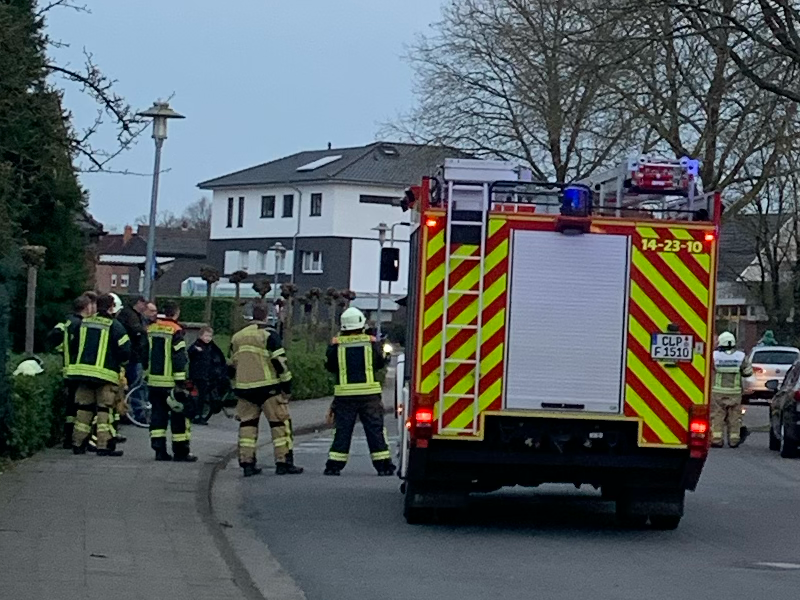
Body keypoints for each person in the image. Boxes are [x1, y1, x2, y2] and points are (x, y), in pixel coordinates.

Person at [230, 303, 302, 477]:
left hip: (244, 388)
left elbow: (231, 365)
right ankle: (283, 462)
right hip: (268, 388)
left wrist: (235, 385)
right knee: (279, 424)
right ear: (265, 316)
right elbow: (280, 362)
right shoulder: (269, 335)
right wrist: (287, 386)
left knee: (247, 425)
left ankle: (247, 464)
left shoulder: (237, 337)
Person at [324, 307, 395, 476]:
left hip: (344, 397)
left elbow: (330, 366)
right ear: (361, 324)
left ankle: (334, 466)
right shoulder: (371, 343)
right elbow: (380, 363)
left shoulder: (336, 345)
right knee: (375, 430)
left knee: (342, 431)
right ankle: (383, 466)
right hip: (369, 397)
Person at [68, 293, 131, 457]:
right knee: (104, 410)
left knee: (84, 409)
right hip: (105, 376)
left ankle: (78, 444)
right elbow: (125, 350)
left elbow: (73, 345)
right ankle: (104, 446)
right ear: (111, 307)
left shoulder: (83, 323)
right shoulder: (115, 326)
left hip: (82, 374)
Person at [147, 300, 196, 462]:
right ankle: (180, 452)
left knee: (157, 416)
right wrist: (181, 382)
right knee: (179, 417)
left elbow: (144, 352)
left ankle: (159, 451)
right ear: (176, 313)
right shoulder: (176, 330)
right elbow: (179, 357)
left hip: (154, 381)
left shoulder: (151, 328)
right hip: (170, 383)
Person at [45, 294, 96, 448]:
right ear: (86, 307)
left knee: (70, 406)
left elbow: (52, 337)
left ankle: (68, 437)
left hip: (67, 369)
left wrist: (62, 350)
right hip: (78, 370)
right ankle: (78, 438)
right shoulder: (82, 324)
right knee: (82, 405)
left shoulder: (66, 322)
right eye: (91, 305)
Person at [711, 332, 753, 448]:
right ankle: (734, 440)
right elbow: (748, 372)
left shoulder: (714, 356)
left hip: (718, 392)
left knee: (717, 416)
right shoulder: (740, 356)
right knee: (734, 417)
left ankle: (717, 439)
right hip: (735, 393)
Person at [117, 295, 150, 423]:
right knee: (135, 386)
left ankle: (126, 412)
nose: (145, 307)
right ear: (138, 303)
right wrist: (143, 331)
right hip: (133, 357)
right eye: (144, 304)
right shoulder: (131, 316)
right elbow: (136, 332)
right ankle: (138, 414)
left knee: (131, 386)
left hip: (135, 356)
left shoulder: (134, 315)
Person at [188, 326, 227, 424]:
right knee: (200, 395)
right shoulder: (197, 345)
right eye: (206, 336)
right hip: (198, 375)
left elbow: (219, 357)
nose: (208, 338)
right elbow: (190, 352)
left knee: (203, 395)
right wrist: (196, 350)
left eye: (210, 336)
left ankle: (200, 413)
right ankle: (198, 415)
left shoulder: (211, 346)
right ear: (200, 336)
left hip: (207, 375)